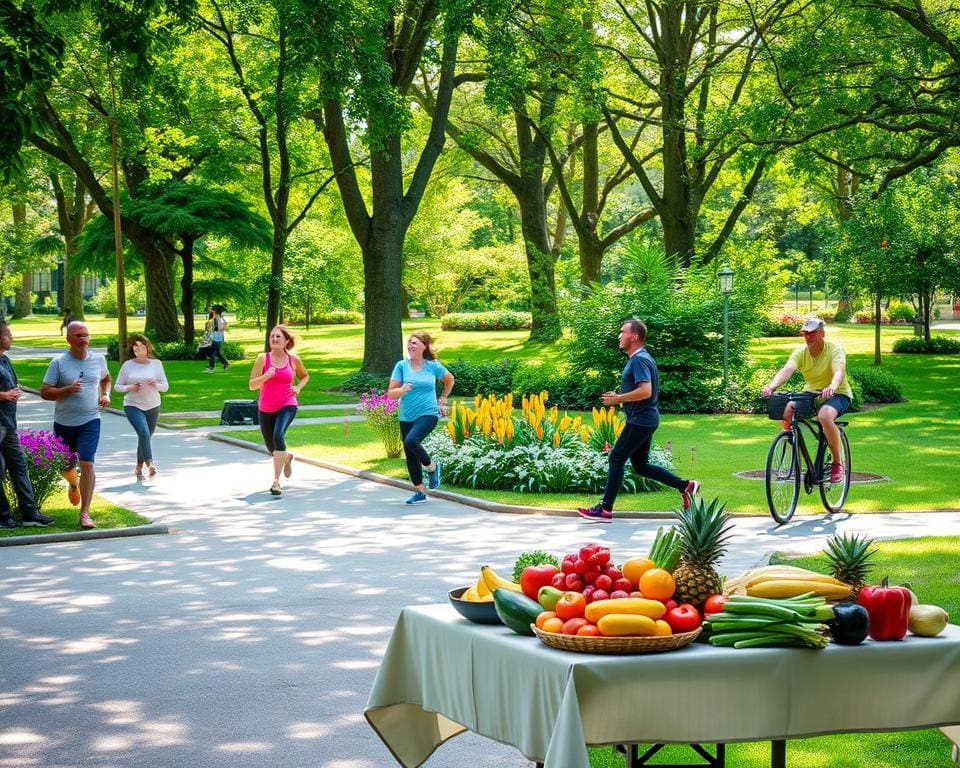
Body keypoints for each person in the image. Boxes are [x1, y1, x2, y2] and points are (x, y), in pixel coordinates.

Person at [577, 319, 701, 523]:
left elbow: (645, 391)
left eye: (622, 332)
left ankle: (605, 509)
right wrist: (620, 398)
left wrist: (618, 398)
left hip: (641, 419)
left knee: (616, 458)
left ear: (633, 336)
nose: (619, 336)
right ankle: (685, 486)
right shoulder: (641, 358)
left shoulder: (639, 359)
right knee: (641, 466)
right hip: (645, 418)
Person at [761, 317, 853, 484]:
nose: (808, 337)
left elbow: (838, 370)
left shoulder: (834, 350)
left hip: (837, 393)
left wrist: (832, 385)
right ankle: (791, 443)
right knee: (789, 408)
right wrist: (772, 386)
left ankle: (837, 463)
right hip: (811, 393)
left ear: (822, 333)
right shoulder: (801, 352)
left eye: (812, 333)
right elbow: (787, 369)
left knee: (824, 416)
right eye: (805, 334)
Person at [40, 321, 111, 529]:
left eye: (86, 335)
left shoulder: (98, 359)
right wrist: (66, 390)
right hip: (63, 422)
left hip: (90, 419)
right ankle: (73, 483)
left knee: (87, 463)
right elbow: (45, 391)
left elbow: (106, 378)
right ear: (69, 339)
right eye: (79, 335)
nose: (83, 339)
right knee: (66, 465)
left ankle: (85, 513)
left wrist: (105, 394)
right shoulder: (59, 363)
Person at [387, 332, 454, 505]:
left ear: (424, 346)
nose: (410, 345)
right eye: (409, 343)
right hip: (406, 415)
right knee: (410, 454)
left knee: (411, 440)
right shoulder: (401, 366)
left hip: (429, 412)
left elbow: (449, 380)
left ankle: (432, 467)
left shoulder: (433, 366)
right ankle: (419, 492)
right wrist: (402, 390)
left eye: (415, 343)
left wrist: (443, 399)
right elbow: (391, 394)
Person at [0, 323, 55, 528]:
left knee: (19, 465)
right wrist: (4, 395)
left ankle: (30, 513)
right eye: (8, 335)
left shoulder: (5, 360)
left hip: (8, 424)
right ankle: (4, 516)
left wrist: (13, 393)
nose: (11, 338)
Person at [248, 325, 309, 496]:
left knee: (278, 435)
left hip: (287, 404)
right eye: (272, 336)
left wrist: (298, 387)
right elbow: (252, 385)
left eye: (278, 337)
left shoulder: (294, 360)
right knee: (272, 448)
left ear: (286, 341)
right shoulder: (262, 359)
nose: (274, 339)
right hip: (266, 407)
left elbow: (305, 376)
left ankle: (276, 482)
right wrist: (266, 376)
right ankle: (287, 457)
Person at [115, 334, 169, 482]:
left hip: (153, 405)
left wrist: (154, 384)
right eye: (135, 346)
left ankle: (138, 468)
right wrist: (129, 387)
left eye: (141, 346)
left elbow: (165, 387)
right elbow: (117, 386)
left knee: (145, 436)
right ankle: (150, 465)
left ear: (147, 347)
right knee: (144, 432)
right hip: (132, 405)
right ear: (132, 349)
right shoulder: (128, 365)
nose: (138, 349)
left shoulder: (156, 364)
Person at [204, 306, 230, 373]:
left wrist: (216, 329)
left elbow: (222, 328)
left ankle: (211, 368)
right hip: (216, 337)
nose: (212, 312)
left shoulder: (219, 318)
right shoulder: (219, 318)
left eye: (213, 311)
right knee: (217, 353)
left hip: (217, 338)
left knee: (212, 353)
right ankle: (226, 364)